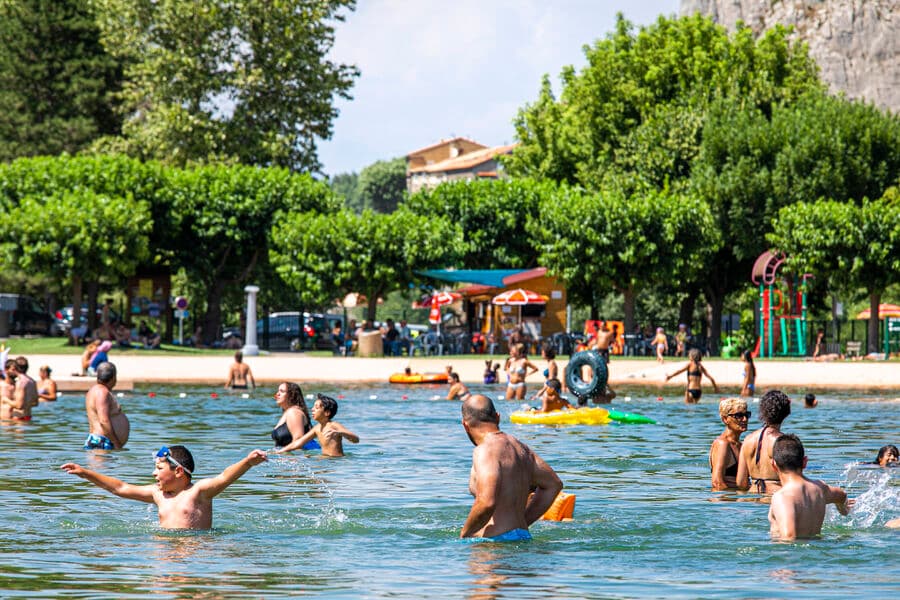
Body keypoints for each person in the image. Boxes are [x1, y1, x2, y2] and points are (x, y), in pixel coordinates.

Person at [61, 445, 267, 530]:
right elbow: (120, 488)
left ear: (178, 472)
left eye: (159, 468)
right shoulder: (157, 494)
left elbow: (225, 477)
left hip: (196, 552)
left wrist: (247, 462)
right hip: (164, 549)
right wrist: (85, 472)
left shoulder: (199, 492)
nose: (154, 473)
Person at [459, 394, 562, 540]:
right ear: (498, 417)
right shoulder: (520, 447)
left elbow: (486, 502)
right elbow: (553, 484)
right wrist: (523, 522)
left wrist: (464, 534)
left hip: (495, 545)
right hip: (523, 536)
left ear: (465, 425)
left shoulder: (485, 450)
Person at [767, 434, 851, 541]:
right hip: (817, 550)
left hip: (793, 554)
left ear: (773, 464)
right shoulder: (820, 488)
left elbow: (789, 536)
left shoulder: (782, 497)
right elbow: (842, 496)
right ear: (805, 462)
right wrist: (844, 510)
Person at [736, 389, 792, 494]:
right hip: (775, 496)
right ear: (786, 412)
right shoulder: (784, 442)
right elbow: (792, 482)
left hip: (752, 497)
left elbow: (740, 483)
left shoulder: (748, 439)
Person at [275, 394, 358, 457]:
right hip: (325, 460)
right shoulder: (317, 428)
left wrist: (340, 432)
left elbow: (356, 439)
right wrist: (281, 451)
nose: (312, 409)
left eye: (317, 408)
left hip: (335, 461)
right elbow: (299, 442)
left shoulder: (334, 425)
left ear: (327, 413)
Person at [83, 362, 130, 450]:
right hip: (102, 442)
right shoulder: (102, 392)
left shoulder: (95, 390)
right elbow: (104, 421)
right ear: (113, 377)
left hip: (100, 441)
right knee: (101, 464)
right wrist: (116, 443)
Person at [709, 398, 749, 490]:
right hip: (726, 501)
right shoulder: (723, 444)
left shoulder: (741, 445)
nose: (745, 419)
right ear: (725, 419)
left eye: (746, 415)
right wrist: (734, 500)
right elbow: (717, 482)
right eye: (738, 416)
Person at [271, 382, 320, 451]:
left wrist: (291, 458)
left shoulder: (294, 412)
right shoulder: (288, 412)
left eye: (282, 391)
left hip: (295, 458)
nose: (277, 394)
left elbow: (298, 440)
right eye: (278, 391)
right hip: (286, 457)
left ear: (291, 395)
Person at [2, 356, 39, 421]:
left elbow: (19, 406)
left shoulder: (20, 382)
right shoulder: (32, 381)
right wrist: (26, 403)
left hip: (19, 418)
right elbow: (36, 403)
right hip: (28, 416)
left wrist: (6, 400)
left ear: (15, 367)